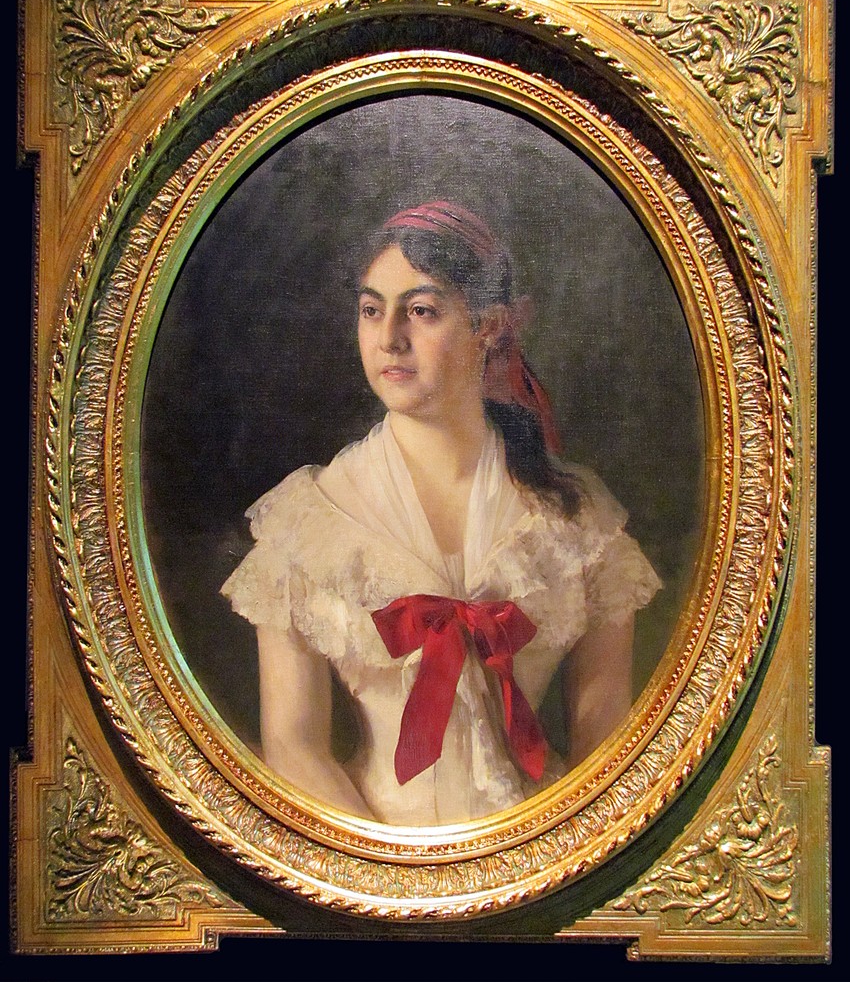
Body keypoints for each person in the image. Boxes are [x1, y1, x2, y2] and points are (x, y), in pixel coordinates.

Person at [222, 201, 661, 826]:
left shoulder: (578, 521)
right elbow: (294, 746)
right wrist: (392, 870)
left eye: (421, 310)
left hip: (543, 838)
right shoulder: (308, 522)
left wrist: (551, 850)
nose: (389, 338)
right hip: (371, 846)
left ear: (490, 326)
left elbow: (605, 729)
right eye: (371, 310)